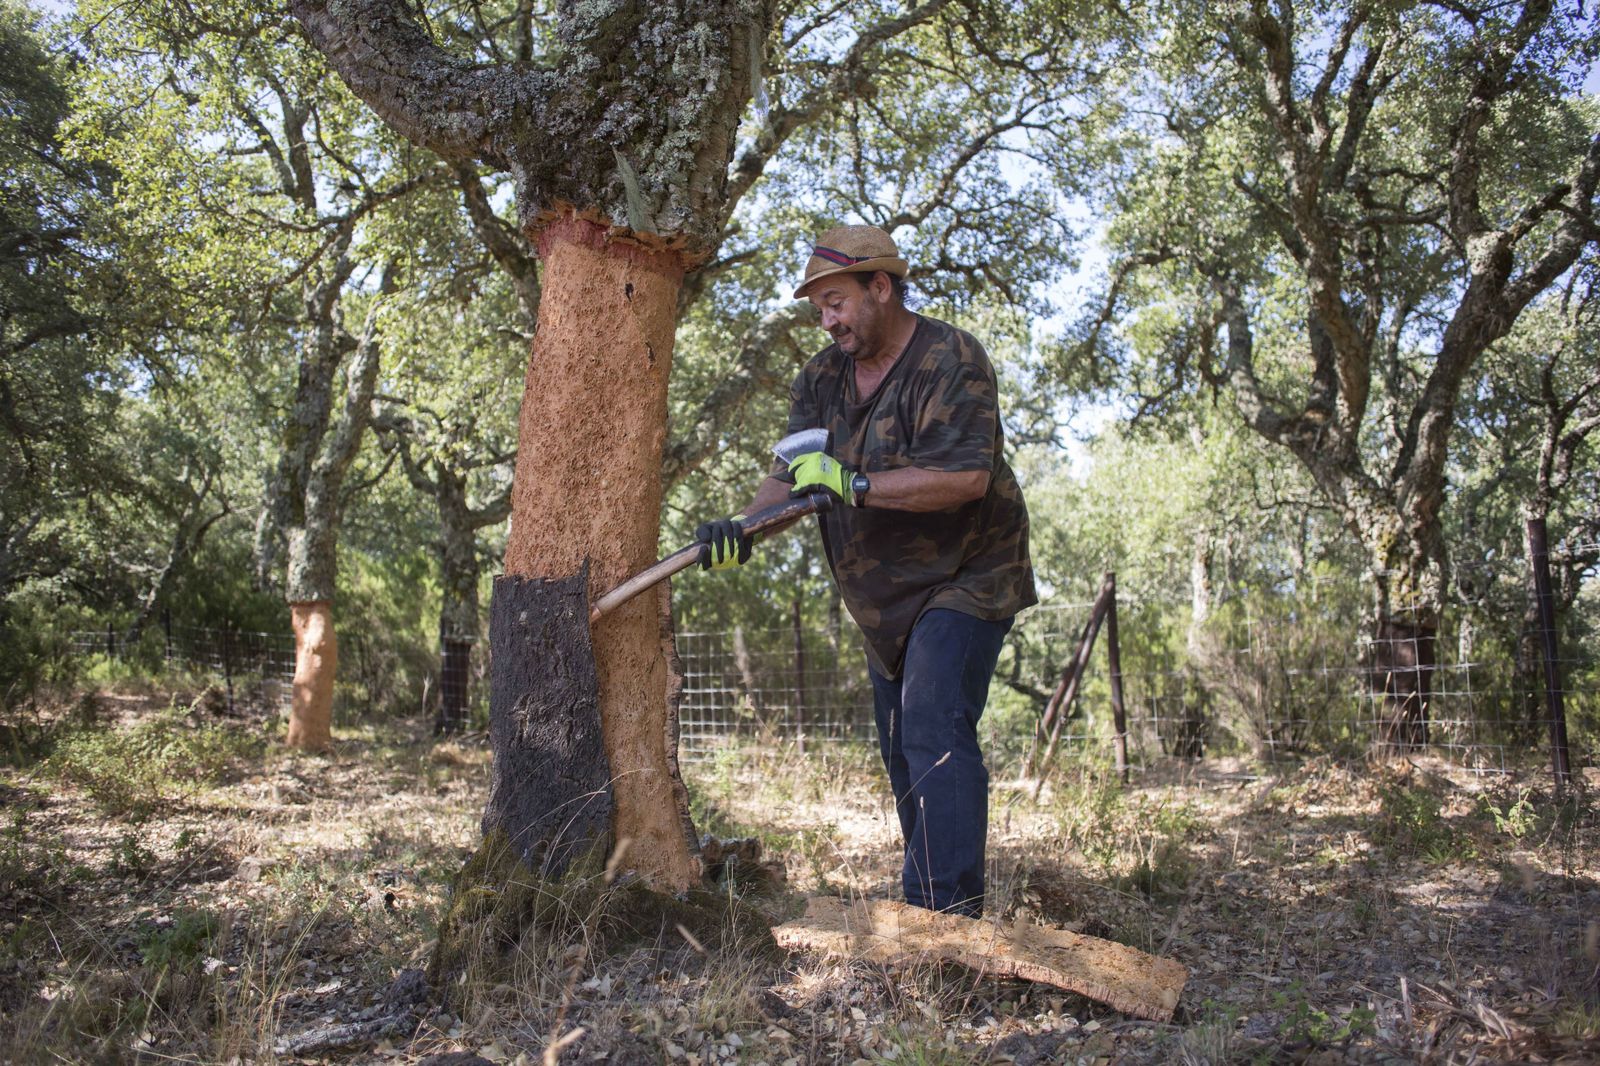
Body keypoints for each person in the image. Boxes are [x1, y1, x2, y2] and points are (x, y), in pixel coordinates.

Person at [696, 224, 1036, 917]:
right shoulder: (821, 379)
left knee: (932, 724)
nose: (828, 320)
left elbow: (967, 476)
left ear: (881, 287)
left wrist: (853, 485)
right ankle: (929, 906)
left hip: (969, 573)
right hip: (881, 602)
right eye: (819, 307)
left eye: (838, 302)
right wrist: (743, 529)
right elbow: (787, 478)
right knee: (901, 753)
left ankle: (945, 917)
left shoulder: (950, 357)